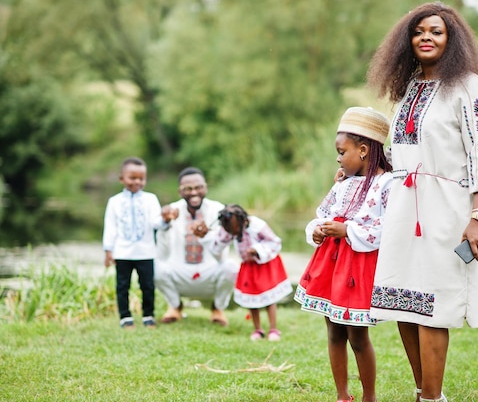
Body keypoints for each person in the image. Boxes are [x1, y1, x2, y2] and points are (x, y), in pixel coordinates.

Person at [366, 2, 478, 402]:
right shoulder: (410, 87)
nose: (426, 37)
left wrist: (477, 216)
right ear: (407, 40)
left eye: (437, 31)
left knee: (433, 308)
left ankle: (432, 398)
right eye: (419, 31)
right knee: (402, 303)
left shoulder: (470, 87)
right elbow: (404, 154)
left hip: (448, 208)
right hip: (404, 208)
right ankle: (424, 392)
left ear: (452, 40)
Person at [295, 107, 393, 402]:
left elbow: (385, 228)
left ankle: (369, 396)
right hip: (330, 264)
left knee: (357, 336)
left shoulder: (386, 184)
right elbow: (323, 214)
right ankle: (342, 395)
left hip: (357, 268)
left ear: (363, 150)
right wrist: (316, 229)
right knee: (334, 330)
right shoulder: (343, 183)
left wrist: (347, 231)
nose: (338, 159)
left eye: (342, 152)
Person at [155, 167, 238, 326]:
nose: (194, 192)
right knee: (154, 267)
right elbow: (162, 255)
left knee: (231, 267)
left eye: (198, 187)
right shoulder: (171, 211)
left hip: (209, 271)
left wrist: (207, 236)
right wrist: (165, 224)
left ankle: (217, 309)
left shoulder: (218, 210)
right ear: (180, 191)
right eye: (188, 189)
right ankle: (175, 306)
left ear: (205, 187)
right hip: (180, 270)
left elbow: (222, 256)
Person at [206, 204, 293, 341]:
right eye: (230, 231)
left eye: (235, 231)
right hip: (248, 266)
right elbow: (217, 245)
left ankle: (273, 329)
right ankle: (257, 329)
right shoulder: (229, 227)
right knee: (252, 300)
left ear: (243, 221)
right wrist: (207, 236)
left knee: (269, 299)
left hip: (264, 264)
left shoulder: (257, 226)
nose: (233, 234)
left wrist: (257, 250)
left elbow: (275, 242)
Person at [102, 157, 169, 329]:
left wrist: (165, 219)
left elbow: (156, 223)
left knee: (147, 286)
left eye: (141, 178)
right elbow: (110, 227)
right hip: (122, 253)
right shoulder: (114, 201)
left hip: (145, 252)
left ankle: (148, 316)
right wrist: (108, 250)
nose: (137, 182)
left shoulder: (151, 199)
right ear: (122, 179)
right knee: (122, 286)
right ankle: (125, 317)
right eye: (133, 178)